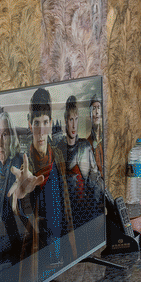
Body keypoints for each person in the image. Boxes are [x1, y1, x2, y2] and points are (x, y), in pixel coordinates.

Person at [8, 87, 75, 266]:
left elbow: (65, 205)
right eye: (37, 123)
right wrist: (22, 197)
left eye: (45, 122)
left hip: (61, 250)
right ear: (30, 124)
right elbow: (19, 217)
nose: (41, 131)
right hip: (36, 257)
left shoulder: (59, 156)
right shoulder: (21, 165)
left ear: (51, 122)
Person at [60, 94, 107, 229]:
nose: (74, 125)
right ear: (65, 121)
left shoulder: (85, 147)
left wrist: (94, 211)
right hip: (67, 216)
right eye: (70, 120)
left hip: (86, 214)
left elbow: (96, 180)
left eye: (76, 119)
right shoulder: (59, 150)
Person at [0, 107, 25, 266]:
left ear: (11, 137)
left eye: (4, 135)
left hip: (14, 239)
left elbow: (26, 210)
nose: (0, 142)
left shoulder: (19, 163)